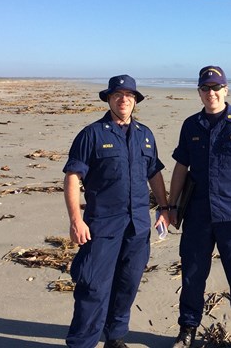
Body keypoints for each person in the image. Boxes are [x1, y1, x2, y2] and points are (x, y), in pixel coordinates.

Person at [63, 75, 170, 348]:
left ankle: (114, 337)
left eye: (129, 95)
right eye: (118, 95)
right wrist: (76, 220)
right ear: (109, 99)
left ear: (135, 101)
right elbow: (73, 177)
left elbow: (154, 173)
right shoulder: (92, 134)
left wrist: (165, 208)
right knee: (93, 288)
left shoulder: (145, 135)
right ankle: (81, 344)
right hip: (102, 226)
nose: (124, 100)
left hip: (138, 226)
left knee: (127, 284)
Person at [168, 66, 231, 348]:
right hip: (198, 215)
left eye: (216, 87)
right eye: (205, 88)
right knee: (192, 274)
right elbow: (180, 167)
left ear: (226, 89)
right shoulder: (191, 125)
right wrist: (172, 206)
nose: (210, 93)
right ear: (199, 92)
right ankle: (187, 329)